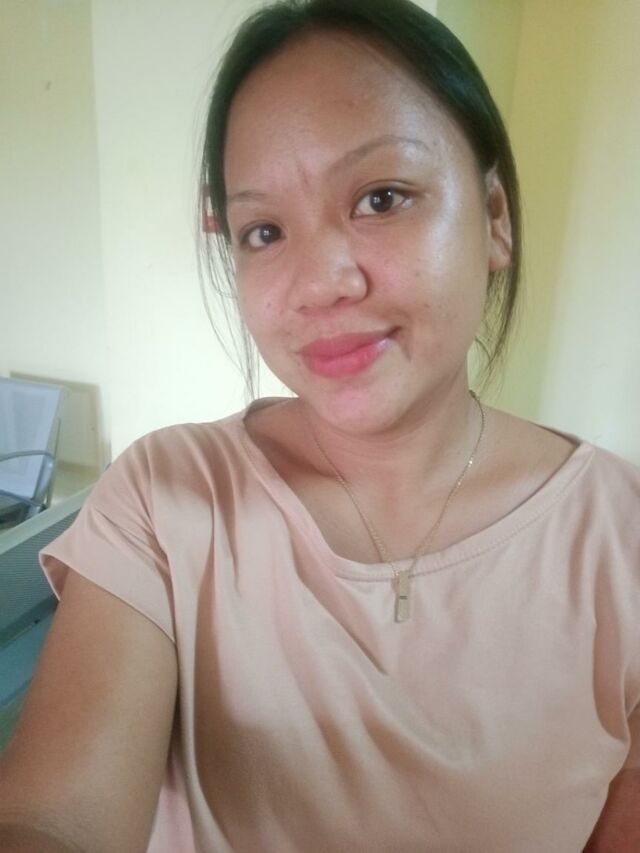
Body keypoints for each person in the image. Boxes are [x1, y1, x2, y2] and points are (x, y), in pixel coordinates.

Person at [0, 0, 638, 850]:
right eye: (264, 231)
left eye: (382, 197)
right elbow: (51, 819)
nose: (317, 284)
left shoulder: (621, 540)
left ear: (495, 218)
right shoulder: (166, 499)